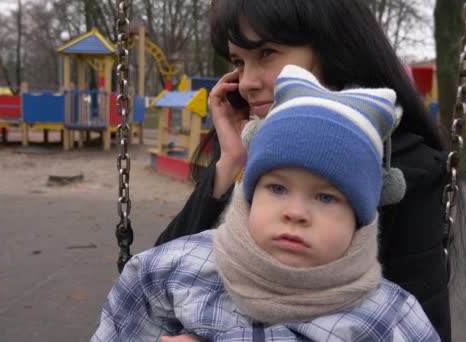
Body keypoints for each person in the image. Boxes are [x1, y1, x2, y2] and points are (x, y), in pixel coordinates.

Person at [154, 1, 466, 341]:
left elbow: (414, 330)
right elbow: (164, 270)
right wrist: (229, 162)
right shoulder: (254, 146)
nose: (246, 82)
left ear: (332, 49)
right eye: (237, 61)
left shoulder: (406, 171)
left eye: (267, 53)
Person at [92, 65, 440, 341]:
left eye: (325, 197)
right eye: (276, 188)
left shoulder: (388, 320)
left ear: (361, 217)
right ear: (250, 192)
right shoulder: (173, 270)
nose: (295, 212)